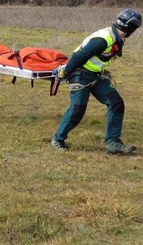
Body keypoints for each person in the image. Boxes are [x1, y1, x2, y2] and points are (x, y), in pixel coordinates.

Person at [51, 9, 141, 154]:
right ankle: (58, 138)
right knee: (77, 110)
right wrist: (65, 72)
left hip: (96, 76)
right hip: (80, 74)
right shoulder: (103, 39)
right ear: (132, 28)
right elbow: (79, 56)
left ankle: (112, 142)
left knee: (116, 103)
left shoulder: (116, 36)